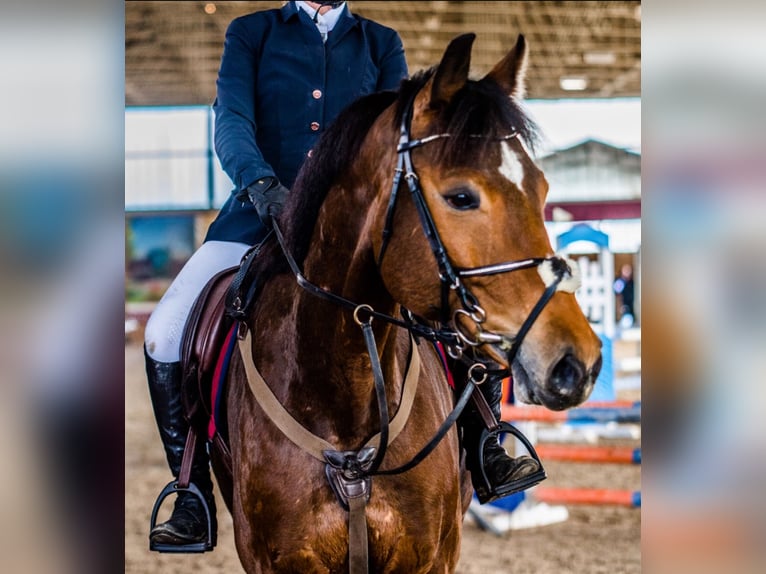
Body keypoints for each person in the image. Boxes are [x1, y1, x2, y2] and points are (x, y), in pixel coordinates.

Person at [143, 0, 539, 551]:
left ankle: (486, 442)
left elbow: (397, 134)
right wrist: (259, 184)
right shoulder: (252, 32)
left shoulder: (379, 41)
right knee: (164, 333)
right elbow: (232, 119)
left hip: (358, 230)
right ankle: (192, 491)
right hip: (260, 215)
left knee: (453, 301)